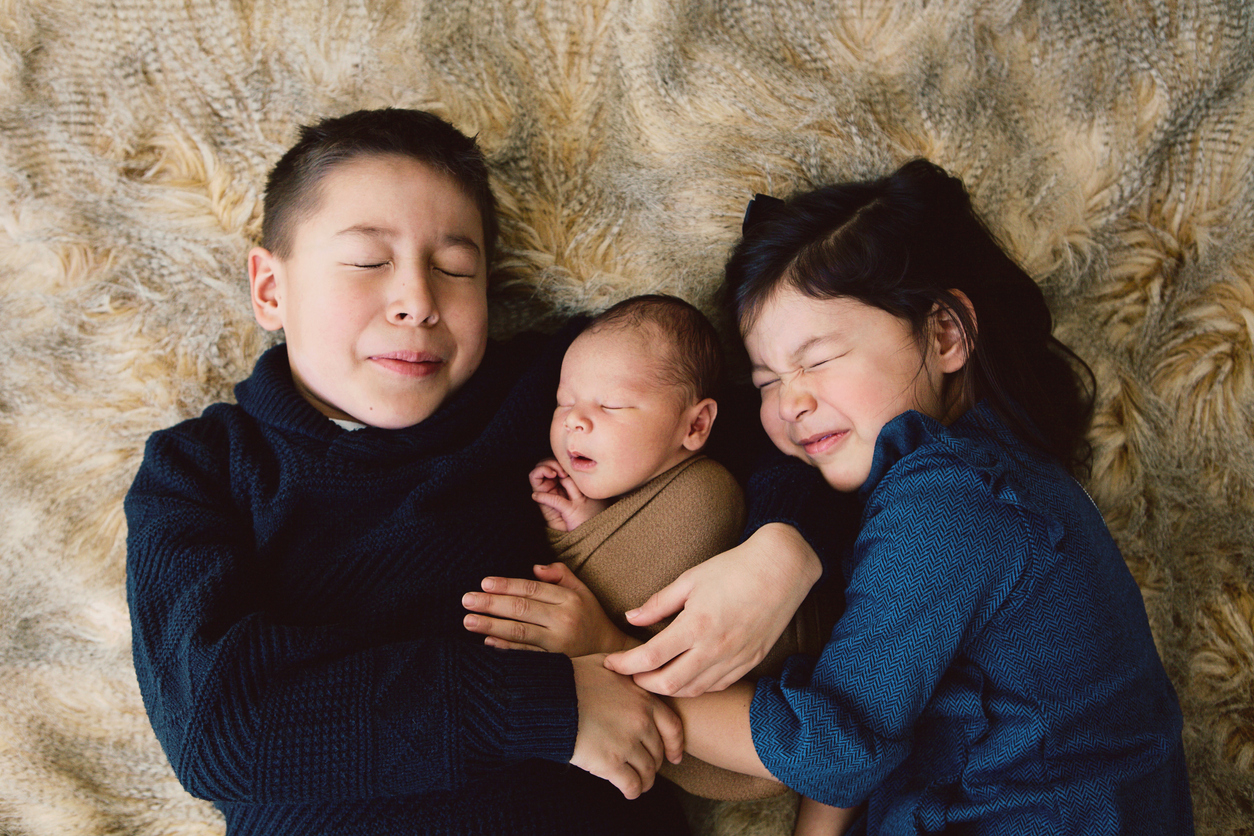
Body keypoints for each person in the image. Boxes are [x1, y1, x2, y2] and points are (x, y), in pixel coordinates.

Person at [123, 108, 840, 836]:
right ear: (271, 289)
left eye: (454, 268)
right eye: (370, 261)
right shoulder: (199, 470)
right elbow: (216, 727)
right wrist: (549, 707)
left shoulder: (554, 393)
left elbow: (770, 426)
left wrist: (782, 549)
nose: (418, 302)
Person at [624, 158, 1195, 835]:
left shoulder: (953, 501)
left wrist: (610, 677)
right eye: (767, 379)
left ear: (946, 333)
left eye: (818, 359)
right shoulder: (984, 478)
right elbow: (865, 705)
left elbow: (832, 747)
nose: (792, 403)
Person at [462, 294, 836, 805]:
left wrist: (585, 562)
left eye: (610, 405)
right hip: (701, 746)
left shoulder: (708, 491)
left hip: (765, 730)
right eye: (564, 402)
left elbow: (632, 594)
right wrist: (583, 526)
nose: (574, 421)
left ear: (695, 426)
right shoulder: (629, 496)